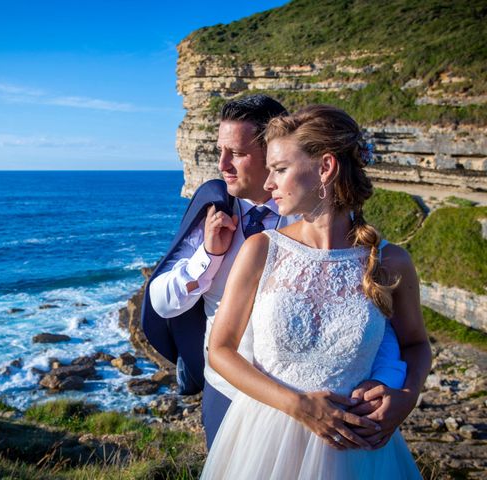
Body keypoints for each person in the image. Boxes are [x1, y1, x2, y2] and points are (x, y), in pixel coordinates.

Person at [141, 95, 408, 449]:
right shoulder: (212, 208)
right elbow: (161, 302)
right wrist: (206, 257)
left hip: (331, 403)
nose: (223, 164)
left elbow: (373, 315)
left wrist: (392, 384)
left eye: (236, 152)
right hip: (229, 390)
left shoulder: (316, 212)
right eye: (220, 150)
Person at [201, 105, 432, 479]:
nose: (268, 184)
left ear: (325, 168)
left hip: (359, 451)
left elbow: (416, 345)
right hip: (265, 443)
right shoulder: (261, 250)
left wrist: (404, 399)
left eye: (279, 169)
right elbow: (221, 351)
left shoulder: (391, 261)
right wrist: (299, 406)